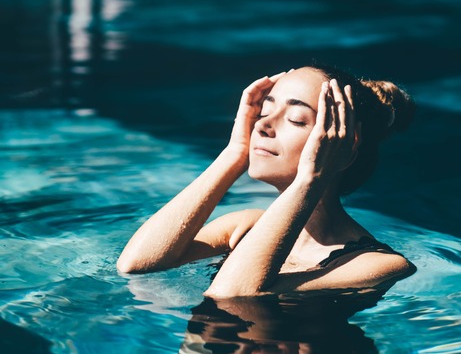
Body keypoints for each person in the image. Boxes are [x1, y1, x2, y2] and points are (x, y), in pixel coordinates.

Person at [116, 64, 416, 298]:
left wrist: (310, 179)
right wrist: (234, 155)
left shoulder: (377, 264)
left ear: (344, 145)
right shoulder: (244, 226)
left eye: (296, 119)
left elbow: (231, 296)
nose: (263, 124)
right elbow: (137, 265)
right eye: (267, 109)